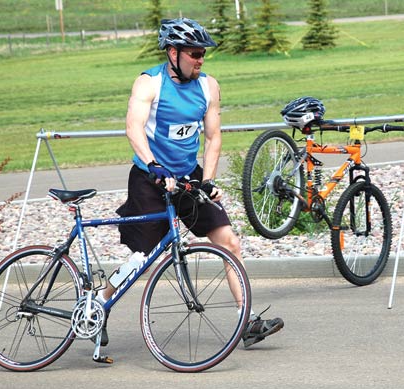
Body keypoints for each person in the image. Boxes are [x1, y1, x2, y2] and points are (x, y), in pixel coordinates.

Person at [96, 18, 284, 349]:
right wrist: (153, 166)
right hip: (149, 179)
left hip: (188, 176)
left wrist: (208, 180)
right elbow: (134, 128)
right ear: (173, 53)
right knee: (142, 256)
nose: (200, 59)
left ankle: (247, 322)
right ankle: (100, 302)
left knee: (229, 242)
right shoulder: (149, 83)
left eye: (202, 54)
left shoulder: (208, 86)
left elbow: (213, 137)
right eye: (194, 53)